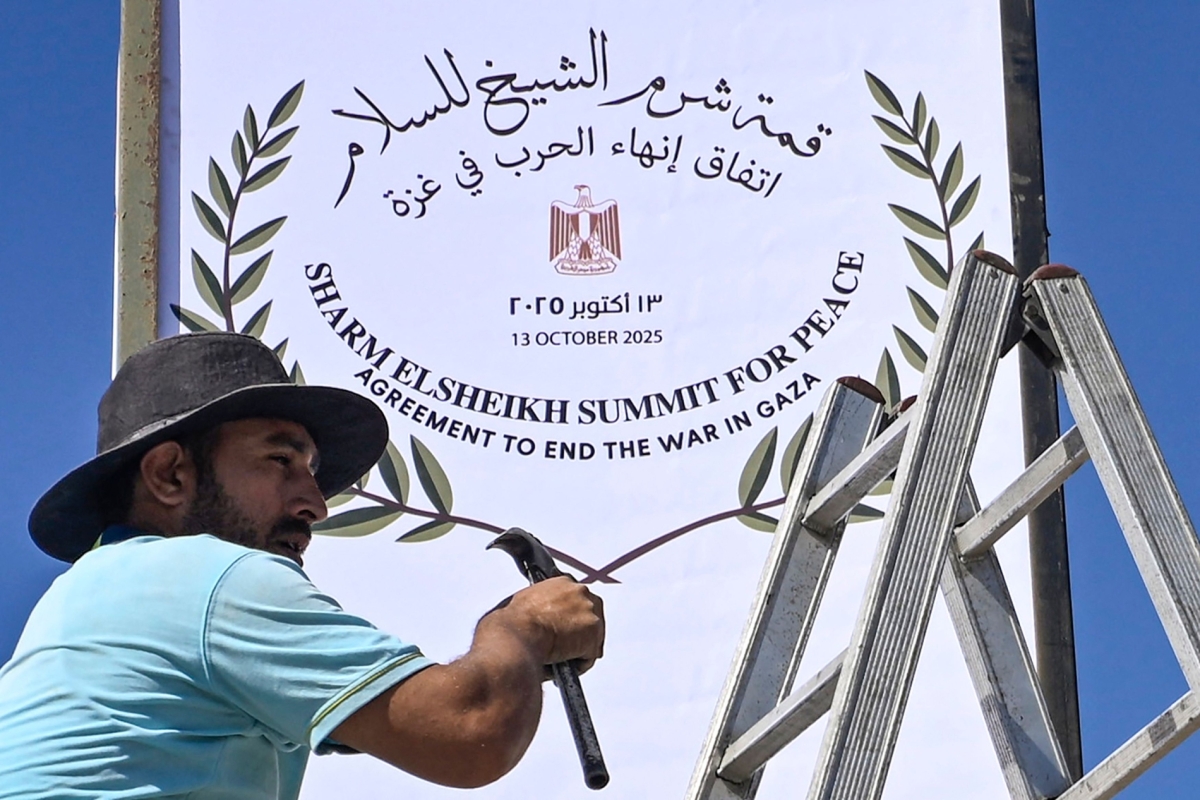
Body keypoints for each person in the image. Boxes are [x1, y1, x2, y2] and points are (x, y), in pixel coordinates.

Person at [0, 332, 605, 799]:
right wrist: (524, 631)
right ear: (170, 474)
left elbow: (381, 718)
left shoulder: (95, 591)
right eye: (281, 460)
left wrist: (509, 668)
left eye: (312, 473)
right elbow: (469, 731)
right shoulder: (213, 577)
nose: (313, 504)